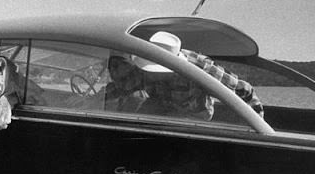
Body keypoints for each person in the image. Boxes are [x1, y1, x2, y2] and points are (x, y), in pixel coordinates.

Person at [105, 31, 264, 120]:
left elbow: (244, 90)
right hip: (162, 110)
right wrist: (91, 100)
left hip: (196, 117)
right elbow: (121, 88)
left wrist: (258, 125)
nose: (152, 75)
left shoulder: (200, 68)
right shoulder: (142, 69)